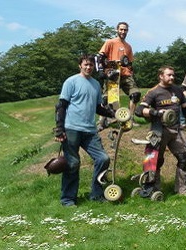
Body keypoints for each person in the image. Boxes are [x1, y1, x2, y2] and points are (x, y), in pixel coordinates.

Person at [54, 54, 115, 207]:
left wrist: (114, 114)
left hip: (90, 131)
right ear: (80, 65)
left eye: (91, 65)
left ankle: (96, 194)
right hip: (71, 128)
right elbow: (61, 106)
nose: (88, 67)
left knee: (103, 159)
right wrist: (59, 128)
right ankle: (68, 199)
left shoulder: (95, 84)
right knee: (72, 163)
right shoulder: (71, 81)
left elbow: (97, 108)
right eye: (86, 64)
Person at [135, 66, 186, 196]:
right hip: (159, 130)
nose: (172, 77)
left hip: (176, 130)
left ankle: (182, 190)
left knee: (185, 158)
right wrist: (156, 112)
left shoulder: (178, 90)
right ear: (161, 76)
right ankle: (153, 189)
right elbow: (139, 110)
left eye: (173, 75)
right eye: (169, 75)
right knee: (155, 160)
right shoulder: (153, 92)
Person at [98, 21, 141, 126]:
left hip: (125, 74)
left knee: (135, 94)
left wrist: (131, 72)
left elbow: (129, 62)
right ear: (117, 30)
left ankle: (129, 118)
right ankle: (102, 121)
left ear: (127, 31)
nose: (123, 31)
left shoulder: (128, 46)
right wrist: (101, 70)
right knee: (106, 99)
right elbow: (100, 57)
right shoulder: (110, 42)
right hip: (112, 74)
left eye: (125, 29)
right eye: (121, 29)